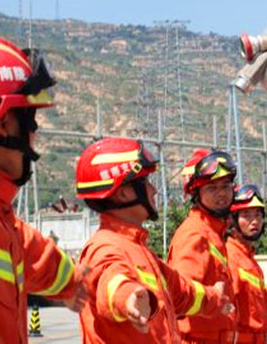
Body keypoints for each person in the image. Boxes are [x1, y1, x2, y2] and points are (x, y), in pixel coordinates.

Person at [0, 32, 86, 343]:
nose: (33, 136)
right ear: (3, 123)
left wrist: (79, 282)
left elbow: (44, 261)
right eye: (30, 122)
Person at [75, 137, 234, 343]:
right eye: (145, 182)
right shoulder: (104, 247)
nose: (154, 190)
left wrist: (214, 298)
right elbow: (110, 279)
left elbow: (181, 292)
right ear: (123, 194)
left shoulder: (138, 249)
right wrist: (127, 297)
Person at [168, 148, 239, 343]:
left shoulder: (214, 233)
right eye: (212, 188)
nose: (221, 194)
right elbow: (180, 295)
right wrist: (213, 300)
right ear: (196, 193)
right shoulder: (195, 233)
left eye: (225, 186)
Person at [227, 184, 267, 344]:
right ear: (233, 220)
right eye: (246, 215)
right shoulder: (230, 258)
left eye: (258, 215)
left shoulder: (250, 260)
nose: (254, 221)